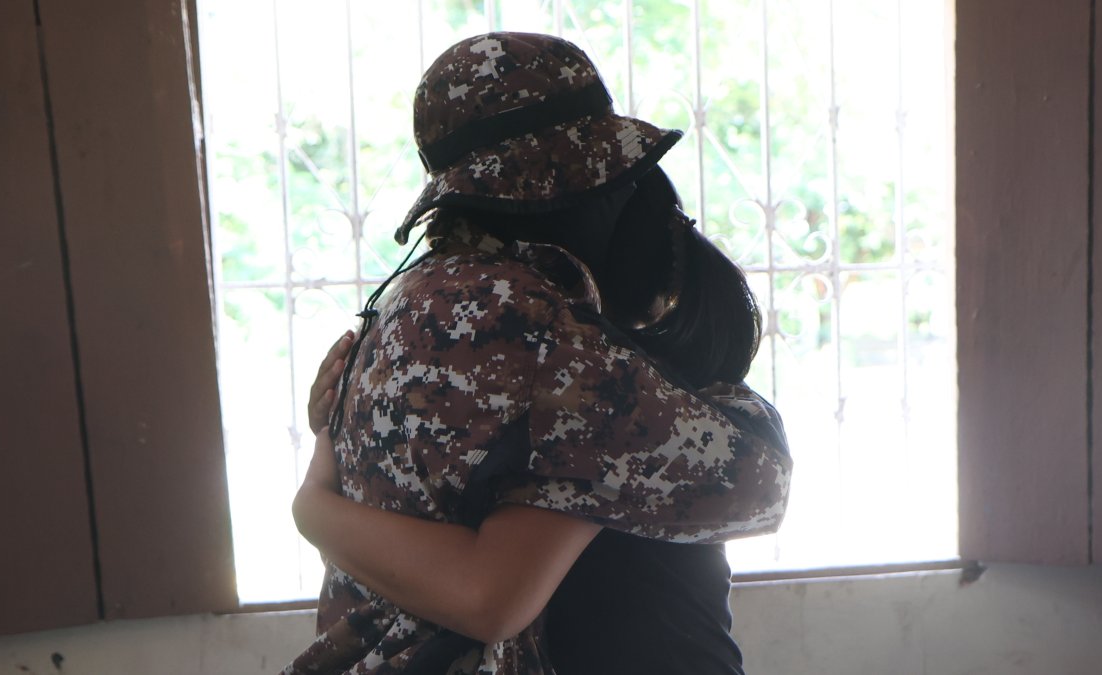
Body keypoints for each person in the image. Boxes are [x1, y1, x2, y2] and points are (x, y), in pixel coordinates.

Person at [281, 32, 792, 675]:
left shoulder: (407, 297)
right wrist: (311, 509)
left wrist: (312, 503)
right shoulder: (535, 326)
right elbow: (759, 481)